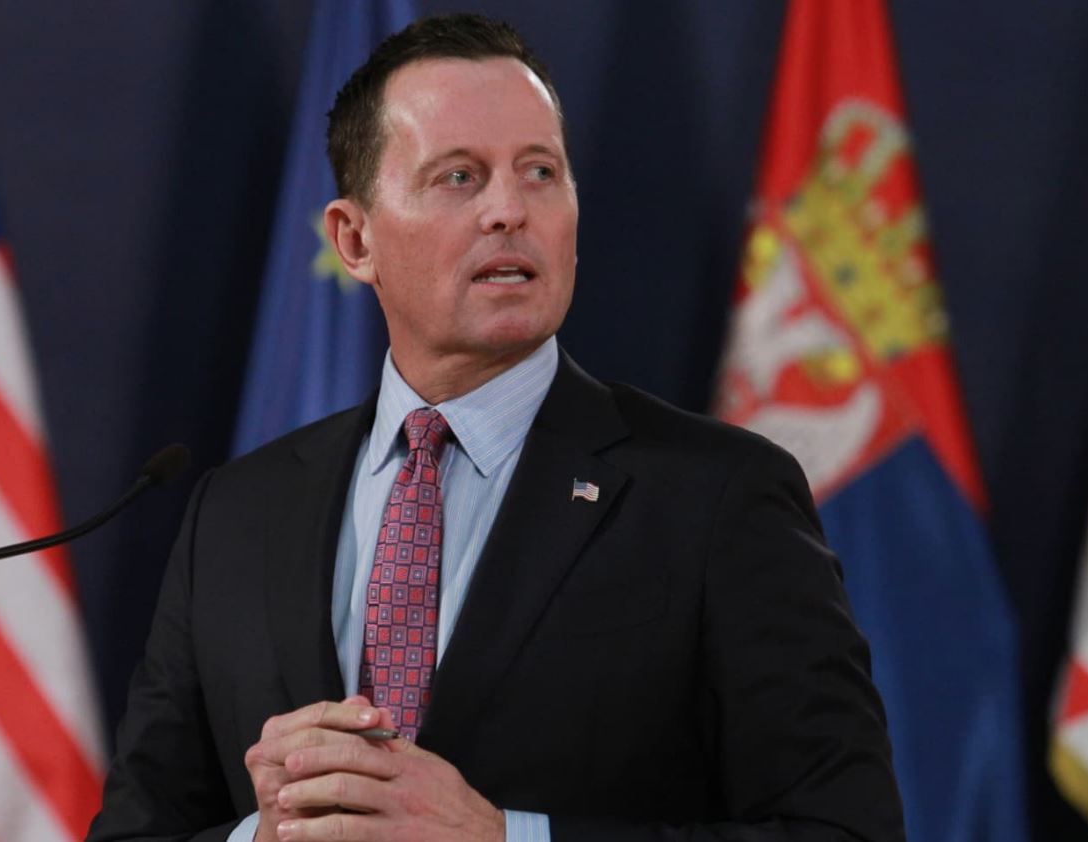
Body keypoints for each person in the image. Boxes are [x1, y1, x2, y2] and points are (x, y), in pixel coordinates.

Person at [88, 13, 904, 842]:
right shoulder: (234, 514)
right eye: (458, 177)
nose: (509, 210)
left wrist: (505, 837)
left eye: (540, 172)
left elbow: (846, 832)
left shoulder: (717, 496)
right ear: (353, 239)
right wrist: (264, 836)